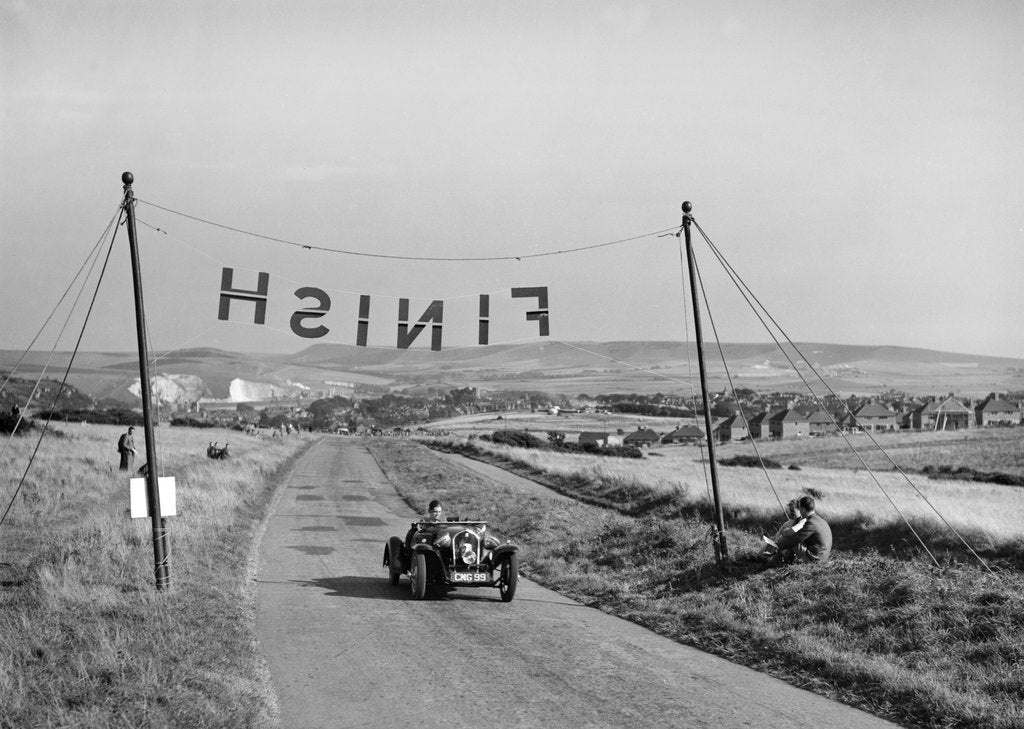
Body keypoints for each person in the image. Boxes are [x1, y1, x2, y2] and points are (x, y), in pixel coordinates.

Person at [774, 495, 833, 563]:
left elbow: (795, 539)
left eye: (800, 509)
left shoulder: (811, 523)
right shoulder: (819, 520)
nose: (800, 512)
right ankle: (785, 559)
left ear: (803, 509)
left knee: (793, 542)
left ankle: (779, 561)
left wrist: (778, 545)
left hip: (816, 559)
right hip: (823, 556)